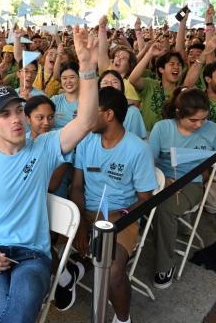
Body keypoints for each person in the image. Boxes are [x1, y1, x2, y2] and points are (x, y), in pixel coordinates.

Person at [0, 24, 98, 323]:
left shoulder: (43, 147)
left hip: (32, 256)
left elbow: (85, 122)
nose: (16, 119)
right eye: (5, 114)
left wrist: (87, 68)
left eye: (18, 111)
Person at [61, 87, 157, 321]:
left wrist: (119, 217)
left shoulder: (138, 149)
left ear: (109, 114)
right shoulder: (85, 142)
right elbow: (76, 186)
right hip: (84, 212)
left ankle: (123, 318)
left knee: (113, 271)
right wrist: (81, 224)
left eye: (90, 111)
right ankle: (70, 274)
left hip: (120, 218)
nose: (84, 117)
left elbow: (145, 199)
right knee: (38, 241)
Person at [148, 88, 216, 289]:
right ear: (178, 112)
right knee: (135, 197)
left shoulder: (212, 130)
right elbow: (149, 160)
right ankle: (130, 245)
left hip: (191, 183)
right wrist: (162, 179)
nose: (199, 124)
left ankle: (165, 265)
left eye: (203, 119)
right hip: (159, 178)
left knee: (164, 209)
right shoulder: (162, 128)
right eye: (193, 120)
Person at [128, 43, 180, 132]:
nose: (176, 67)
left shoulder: (182, 92)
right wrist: (149, 54)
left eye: (179, 64)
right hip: (149, 136)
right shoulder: (150, 85)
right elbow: (133, 79)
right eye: (172, 64)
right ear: (161, 69)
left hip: (172, 137)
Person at [99, 70, 147, 139]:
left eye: (114, 82)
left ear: (122, 86)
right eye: (105, 82)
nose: (109, 85)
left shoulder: (132, 112)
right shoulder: (93, 112)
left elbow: (137, 142)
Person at [50, 62, 79, 130]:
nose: (68, 81)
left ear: (79, 78)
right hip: (54, 138)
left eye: (72, 77)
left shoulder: (86, 102)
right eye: (64, 78)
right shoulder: (55, 100)